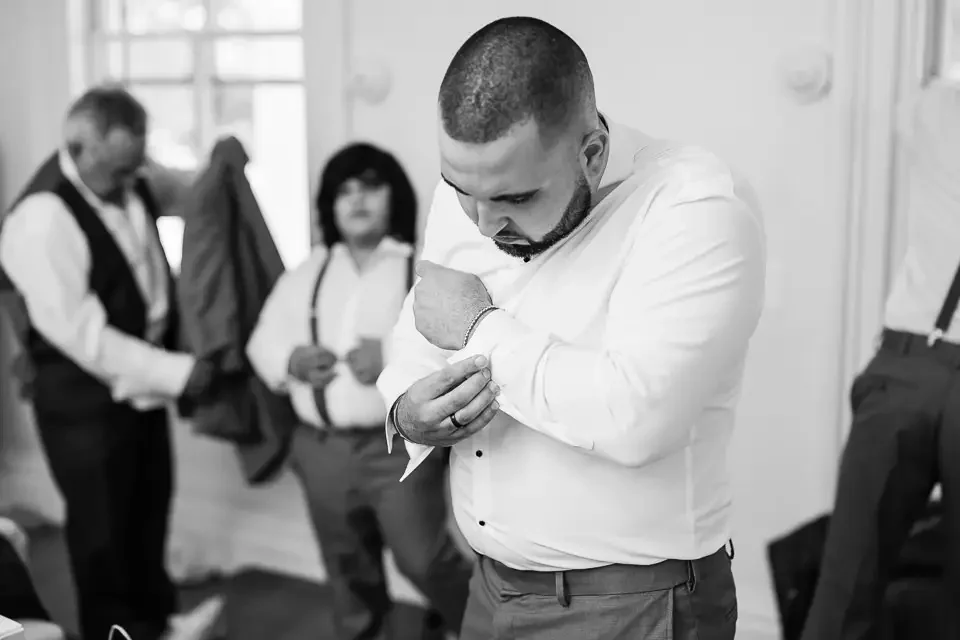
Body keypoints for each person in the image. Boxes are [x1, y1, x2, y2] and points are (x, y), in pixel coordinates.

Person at [376, 16, 767, 640]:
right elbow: (420, 335)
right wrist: (404, 408)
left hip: (635, 606)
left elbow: (636, 417)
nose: (482, 224)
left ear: (592, 153)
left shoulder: (695, 206)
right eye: (460, 190)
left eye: (517, 200)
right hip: (490, 591)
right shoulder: (482, 188)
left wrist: (480, 330)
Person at [0, 85, 224, 640]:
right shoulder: (41, 219)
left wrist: (222, 168)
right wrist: (177, 371)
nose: (133, 183)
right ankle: (116, 635)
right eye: (121, 169)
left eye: (137, 166)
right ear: (80, 148)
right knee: (102, 530)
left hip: (140, 383)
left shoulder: (130, 178)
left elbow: (194, 195)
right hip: (82, 396)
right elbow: (86, 338)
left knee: (148, 509)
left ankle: (158, 625)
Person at [246, 142, 472, 640]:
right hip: (320, 449)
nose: (357, 199)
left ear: (394, 195)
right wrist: (290, 360)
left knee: (423, 559)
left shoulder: (420, 267)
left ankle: (474, 629)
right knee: (346, 569)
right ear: (328, 205)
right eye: (344, 191)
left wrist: (390, 360)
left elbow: (459, 351)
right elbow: (261, 342)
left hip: (397, 450)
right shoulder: (308, 273)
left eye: (370, 186)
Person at [800, 84, 960, 640]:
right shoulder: (938, 107)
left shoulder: (935, 105)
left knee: (847, 594)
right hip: (907, 361)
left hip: (908, 361)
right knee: (844, 592)